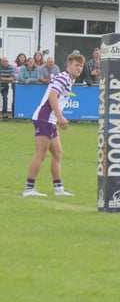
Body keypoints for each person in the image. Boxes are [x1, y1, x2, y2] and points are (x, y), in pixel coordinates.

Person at [23, 52, 85, 197]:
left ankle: (58, 188)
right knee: (41, 154)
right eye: (76, 65)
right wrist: (60, 117)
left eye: (81, 66)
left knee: (58, 153)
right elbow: (52, 96)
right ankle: (28, 188)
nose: (79, 68)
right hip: (45, 118)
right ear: (68, 65)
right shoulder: (63, 77)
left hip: (50, 119)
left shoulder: (69, 79)